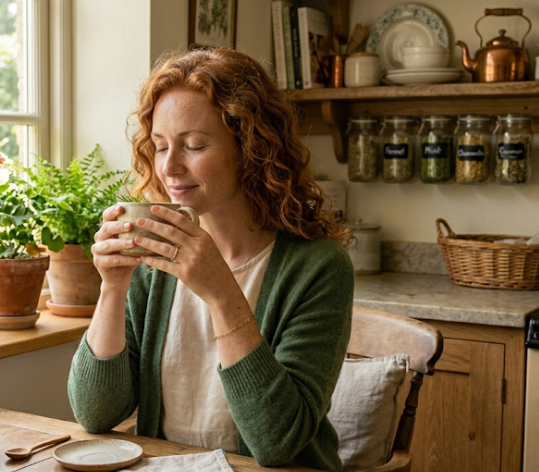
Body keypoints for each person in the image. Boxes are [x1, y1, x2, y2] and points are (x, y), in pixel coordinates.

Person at [67, 47, 353, 471]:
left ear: (251, 147)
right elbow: (95, 413)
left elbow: (277, 441)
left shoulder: (319, 268)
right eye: (160, 147)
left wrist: (221, 293)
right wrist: (112, 286)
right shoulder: (154, 259)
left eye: (194, 145)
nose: (169, 167)